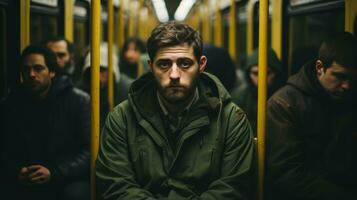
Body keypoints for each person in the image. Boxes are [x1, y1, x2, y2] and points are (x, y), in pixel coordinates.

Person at [95, 21, 256, 199]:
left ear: (201, 64)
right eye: (164, 65)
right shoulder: (122, 119)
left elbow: (233, 188)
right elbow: (115, 185)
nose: (174, 75)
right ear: (150, 66)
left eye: (185, 64)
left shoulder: (231, 120)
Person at [266, 32, 357, 200]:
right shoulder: (283, 103)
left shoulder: (351, 100)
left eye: (353, 78)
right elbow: (287, 174)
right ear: (319, 67)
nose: (347, 86)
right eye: (340, 76)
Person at [0, 45, 90, 200]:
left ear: (52, 72)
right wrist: (16, 171)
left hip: (64, 176)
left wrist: (55, 173)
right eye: (26, 69)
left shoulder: (78, 101)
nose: (31, 74)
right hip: (26, 175)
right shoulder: (11, 103)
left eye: (38, 68)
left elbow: (89, 150)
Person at [77, 42, 133, 128]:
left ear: (113, 72)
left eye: (103, 70)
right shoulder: (80, 91)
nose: (98, 76)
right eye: (94, 70)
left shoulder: (127, 89)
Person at [231, 48, 285, 135]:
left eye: (267, 73)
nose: (261, 79)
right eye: (256, 73)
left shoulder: (284, 99)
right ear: (248, 74)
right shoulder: (238, 99)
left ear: (276, 73)